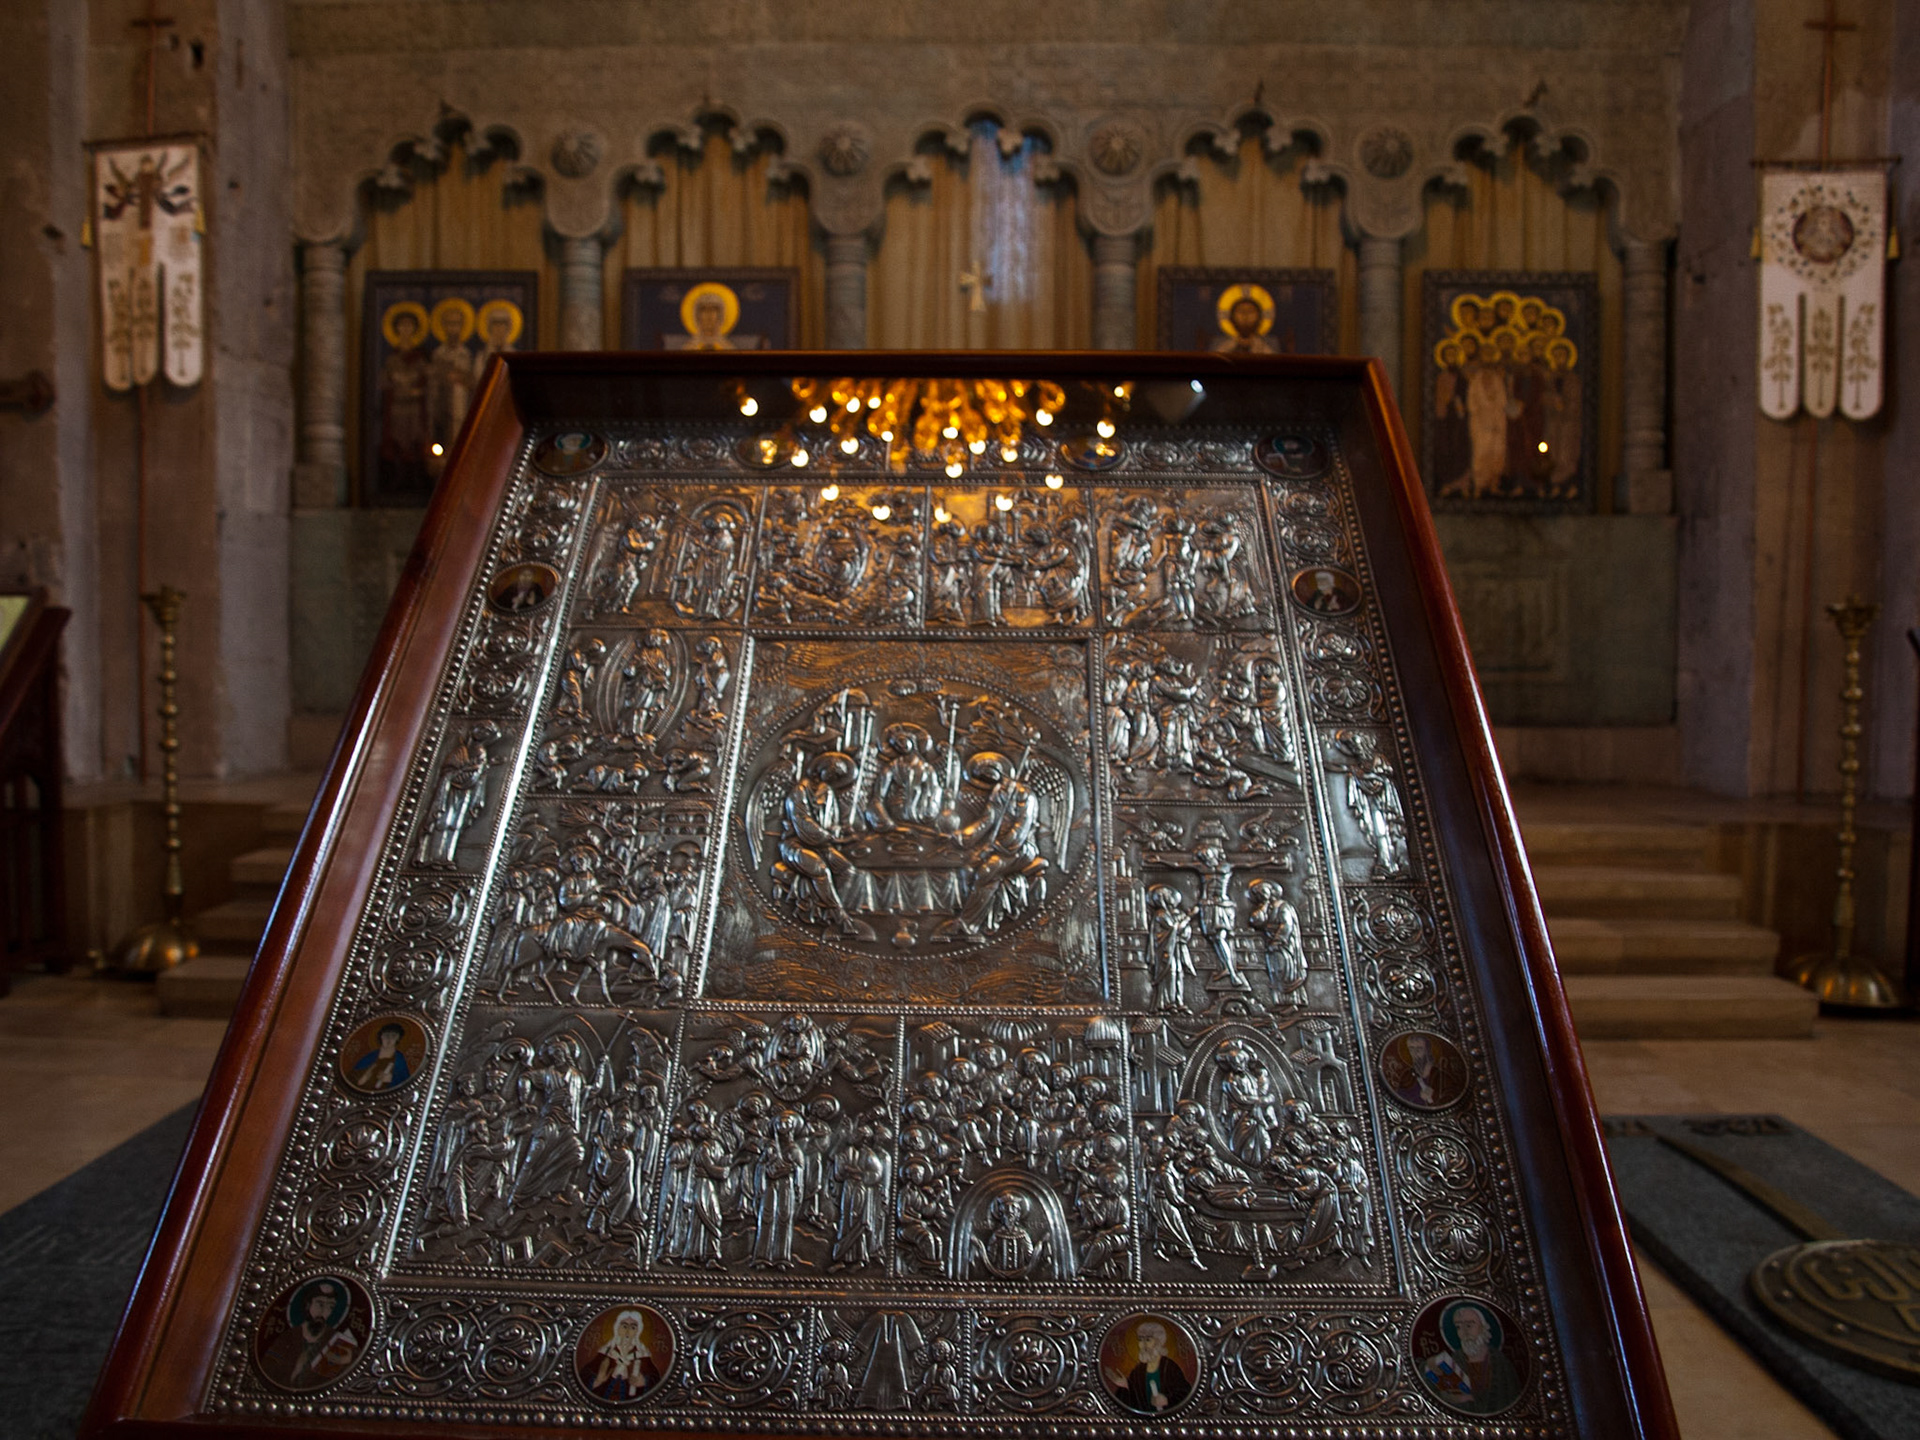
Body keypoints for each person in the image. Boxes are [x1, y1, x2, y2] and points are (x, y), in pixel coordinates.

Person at [1421, 1302, 1523, 1415]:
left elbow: (1512, 1399)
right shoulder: (1452, 1362)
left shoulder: (1501, 1363)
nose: (1464, 1332)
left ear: (1483, 1327)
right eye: (1459, 1327)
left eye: (1469, 1325)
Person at [1108, 1320, 1191, 1413]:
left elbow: (1185, 1393)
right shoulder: (1138, 1370)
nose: (1143, 1345)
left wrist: (1167, 1400)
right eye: (1140, 1339)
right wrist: (1126, 1386)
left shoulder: (1169, 1367)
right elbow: (1133, 1402)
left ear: (1159, 1342)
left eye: (1148, 1340)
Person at [586, 1310, 663, 1402]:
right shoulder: (606, 1352)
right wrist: (597, 1380)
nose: (627, 1331)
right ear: (617, 1328)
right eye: (624, 1326)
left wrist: (643, 1381)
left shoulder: (642, 1355)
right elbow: (584, 1376)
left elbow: (656, 1379)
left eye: (633, 1327)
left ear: (638, 1332)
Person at [346, 1021, 411, 1092]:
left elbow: (406, 1081)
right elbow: (352, 1077)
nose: (389, 1040)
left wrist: (391, 1079)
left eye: (393, 1036)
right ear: (381, 1037)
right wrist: (362, 1079)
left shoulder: (399, 1059)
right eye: (386, 1035)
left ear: (398, 1038)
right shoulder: (370, 1057)